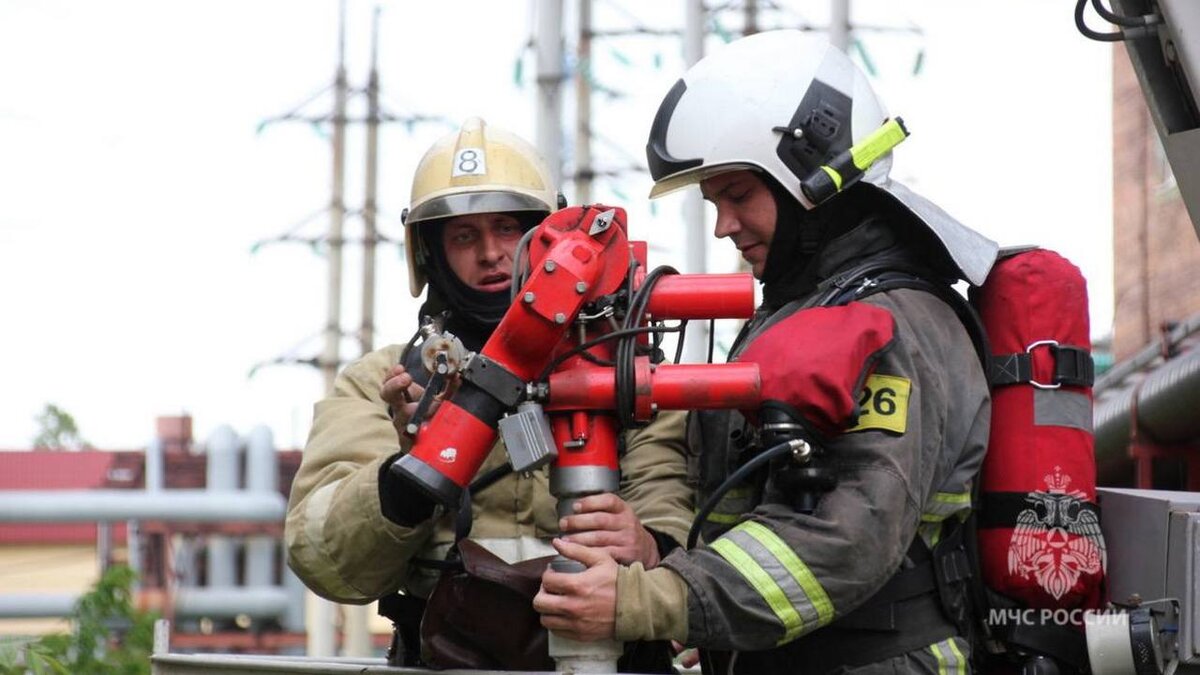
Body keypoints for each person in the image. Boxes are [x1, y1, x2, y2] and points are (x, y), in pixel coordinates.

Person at [533, 31, 999, 674]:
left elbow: (848, 540)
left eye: (737, 194)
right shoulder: (802, 315)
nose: (723, 225)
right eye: (713, 202)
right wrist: (652, 551)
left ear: (810, 175)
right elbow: (750, 512)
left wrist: (655, 598)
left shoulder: (895, 324)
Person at [284, 117, 691, 670]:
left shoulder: (626, 372)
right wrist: (411, 470)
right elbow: (327, 559)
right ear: (430, 254)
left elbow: (683, 513)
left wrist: (651, 546)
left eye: (507, 228)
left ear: (548, 236)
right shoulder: (384, 383)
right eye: (464, 236)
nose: (492, 253)